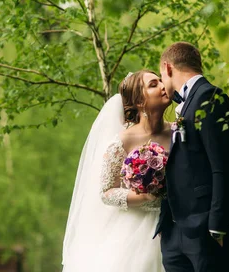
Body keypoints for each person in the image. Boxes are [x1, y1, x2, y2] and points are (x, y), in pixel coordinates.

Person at [156, 42, 229, 272]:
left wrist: (218, 226)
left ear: (167, 67)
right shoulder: (188, 102)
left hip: (208, 229)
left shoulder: (210, 97)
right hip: (178, 231)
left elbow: (223, 167)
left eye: (161, 75)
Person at [62, 70, 172, 272]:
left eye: (161, 80)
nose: (163, 85)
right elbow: (106, 192)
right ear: (140, 101)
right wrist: (144, 196)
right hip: (137, 231)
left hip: (176, 223)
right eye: (153, 84)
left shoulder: (178, 132)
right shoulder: (123, 141)